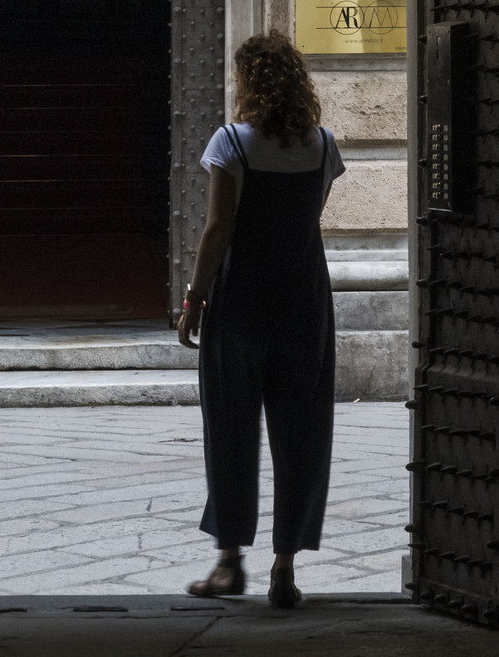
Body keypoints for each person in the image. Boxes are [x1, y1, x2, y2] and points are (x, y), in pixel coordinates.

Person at [177, 30, 344, 607]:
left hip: (241, 307)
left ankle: (228, 563)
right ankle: (285, 568)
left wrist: (194, 299)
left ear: (249, 83)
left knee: (230, 431)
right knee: (302, 435)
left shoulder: (232, 143)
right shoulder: (323, 145)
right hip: (303, 305)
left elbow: (218, 230)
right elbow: (310, 217)